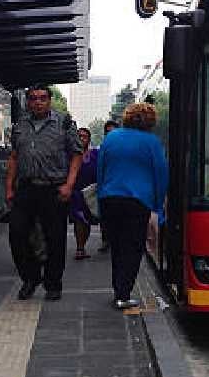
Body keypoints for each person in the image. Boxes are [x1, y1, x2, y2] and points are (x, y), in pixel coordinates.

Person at [5, 86, 83, 301]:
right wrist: (9, 187)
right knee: (17, 235)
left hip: (53, 188)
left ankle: (53, 283)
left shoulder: (63, 123)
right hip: (26, 188)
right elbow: (14, 156)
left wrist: (69, 184)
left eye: (42, 98)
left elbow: (77, 154)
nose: (38, 102)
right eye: (33, 99)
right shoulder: (20, 125)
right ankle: (30, 277)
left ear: (50, 100)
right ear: (27, 102)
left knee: (55, 238)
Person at [97, 103, 168, 309]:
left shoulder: (111, 138)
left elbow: (101, 171)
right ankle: (123, 294)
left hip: (110, 198)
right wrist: (158, 206)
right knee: (133, 246)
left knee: (117, 246)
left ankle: (118, 288)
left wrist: (101, 200)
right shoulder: (152, 142)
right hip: (138, 201)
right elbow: (161, 175)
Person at [70, 127, 99, 260]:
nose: (82, 139)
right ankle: (79, 248)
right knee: (79, 219)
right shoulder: (70, 154)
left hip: (90, 193)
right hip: (75, 192)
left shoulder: (95, 154)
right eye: (79, 136)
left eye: (84, 136)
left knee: (86, 221)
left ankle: (82, 245)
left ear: (89, 139)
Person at [97, 120, 120, 253]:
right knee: (106, 218)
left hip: (123, 191)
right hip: (107, 190)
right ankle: (106, 240)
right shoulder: (103, 148)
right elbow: (100, 171)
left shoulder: (127, 148)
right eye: (108, 132)